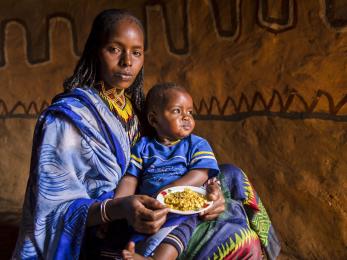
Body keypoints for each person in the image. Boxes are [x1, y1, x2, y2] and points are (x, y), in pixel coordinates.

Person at [12, 8, 280, 260]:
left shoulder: (138, 110)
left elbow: (168, 161)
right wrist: (119, 208)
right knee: (239, 238)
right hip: (108, 227)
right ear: (96, 51)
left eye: (137, 53)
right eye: (114, 49)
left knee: (231, 176)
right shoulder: (67, 118)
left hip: (156, 205)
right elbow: (51, 211)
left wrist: (212, 198)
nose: (127, 62)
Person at [115, 82, 220, 259]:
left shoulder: (196, 144)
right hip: (152, 206)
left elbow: (200, 174)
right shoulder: (143, 147)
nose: (186, 117)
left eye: (190, 112)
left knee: (177, 234)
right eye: (177, 111)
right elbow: (130, 179)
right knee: (137, 233)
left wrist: (168, 191)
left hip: (184, 209)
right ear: (154, 120)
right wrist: (116, 206)